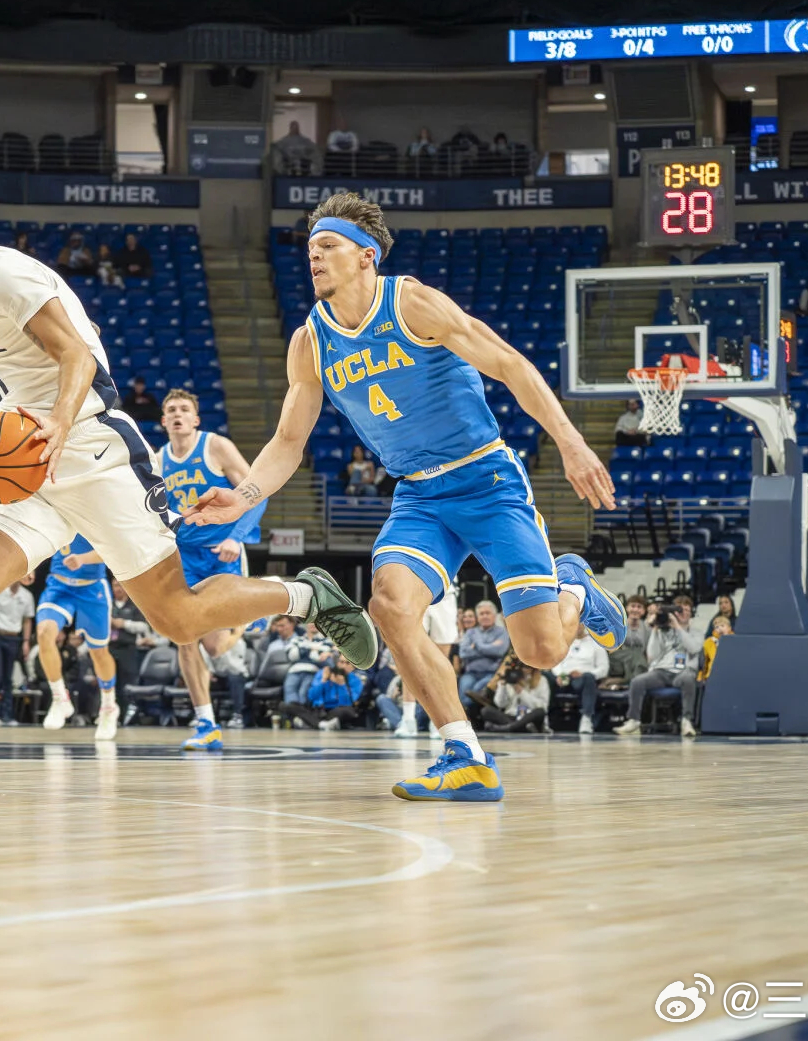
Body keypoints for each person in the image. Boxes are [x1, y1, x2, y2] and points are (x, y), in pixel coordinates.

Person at [0, 176, 366, 800]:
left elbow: (77, 355)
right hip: (34, 465)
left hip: (93, 451)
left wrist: (59, 420)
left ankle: (305, 597)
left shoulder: (4, 275)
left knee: (179, 618)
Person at [186, 191, 624, 803]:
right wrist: (246, 493)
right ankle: (464, 754)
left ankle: (572, 586)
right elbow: (289, 439)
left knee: (543, 650)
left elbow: (511, 365)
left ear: (366, 255)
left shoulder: (412, 302)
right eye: (310, 249)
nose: (313, 258)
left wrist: (572, 444)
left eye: (328, 246)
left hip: (488, 481)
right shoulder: (309, 342)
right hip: (419, 495)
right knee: (390, 606)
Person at [154, 388, 267, 750]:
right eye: (171, 410)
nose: (177, 414)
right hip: (185, 555)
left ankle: (257, 607)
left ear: (196, 419)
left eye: (185, 409)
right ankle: (206, 723)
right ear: (163, 421)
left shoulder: (215, 447)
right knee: (184, 635)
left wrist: (237, 537)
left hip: (223, 551)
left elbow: (257, 492)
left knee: (217, 646)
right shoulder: (159, 459)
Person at [33, 534, 120, 739]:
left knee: (98, 652)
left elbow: (113, 550)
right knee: (44, 632)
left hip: (92, 587)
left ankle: (109, 707)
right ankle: (59, 698)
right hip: (59, 585)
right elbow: (38, 539)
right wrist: (28, 567)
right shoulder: (58, 509)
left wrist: (83, 559)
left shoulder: (99, 511)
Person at [615, 601, 701, 738]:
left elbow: (693, 648)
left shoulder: (696, 632)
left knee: (688, 679)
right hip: (661, 671)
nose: (682, 613)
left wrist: (678, 627)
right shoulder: (663, 630)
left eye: (686, 610)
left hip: (683, 671)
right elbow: (652, 655)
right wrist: (655, 629)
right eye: (679, 611)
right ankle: (634, 721)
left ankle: (686, 721)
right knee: (637, 681)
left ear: (691, 614)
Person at [0, 574, 37, 725]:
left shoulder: (27, 596)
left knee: (9, 678)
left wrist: (26, 642)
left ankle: (7, 715)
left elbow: (27, 620)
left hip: (14, 637)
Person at [278, 650, 363, 729]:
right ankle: (321, 724)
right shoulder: (323, 673)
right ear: (337, 663)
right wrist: (323, 681)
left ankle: (310, 723)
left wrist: (342, 685)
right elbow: (312, 696)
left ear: (353, 667)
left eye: (347, 663)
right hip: (318, 710)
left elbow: (348, 703)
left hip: (335, 710)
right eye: (341, 662)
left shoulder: (356, 680)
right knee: (285, 705)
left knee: (347, 711)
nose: (343, 666)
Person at [553, 631, 609, 734]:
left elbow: (603, 669)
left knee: (589, 678)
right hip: (565, 678)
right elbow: (555, 662)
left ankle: (586, 718)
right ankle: (545, 719)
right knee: (548, 677)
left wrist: (584, 674)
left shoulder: (596, 644)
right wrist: (560, 674)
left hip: (584, 680)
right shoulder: (563, 642)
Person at [457, 602, 510, 705]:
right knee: (464, 692)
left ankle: (474, 718)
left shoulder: (502, 632)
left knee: (476, 690)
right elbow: (463, 653)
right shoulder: (471, 632)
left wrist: (477, 645)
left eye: (487, 613)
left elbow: (499, 651)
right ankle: (468, 718)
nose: (485, 616)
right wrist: (489, 648)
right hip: (470, 673)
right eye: (481, 614)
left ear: (494, 616)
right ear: (478, 617)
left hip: (491, 673)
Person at [480, 661, 550, 733]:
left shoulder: (542, 680)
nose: (524, 670)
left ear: (533, 668)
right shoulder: (511, 678)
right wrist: (502, 687)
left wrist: (522, 693)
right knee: (486, 710)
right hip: (512, 717)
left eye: (527, 667)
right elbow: (500, 704)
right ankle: (517, 728)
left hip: (530, 718)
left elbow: (543, 706)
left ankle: (509, 728)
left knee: (539, 712)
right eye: (521, 667)